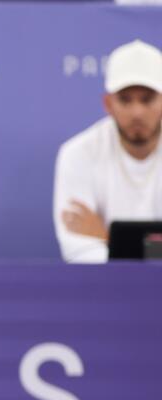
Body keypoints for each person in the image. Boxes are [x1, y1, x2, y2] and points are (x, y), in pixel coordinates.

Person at [54, 39, 162, 263]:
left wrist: (107, 239)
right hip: (103, 292)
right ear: (108, 104)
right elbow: (77, 249)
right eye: (125, 100)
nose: (137, 112)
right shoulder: (78, 154)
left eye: (147, 99)